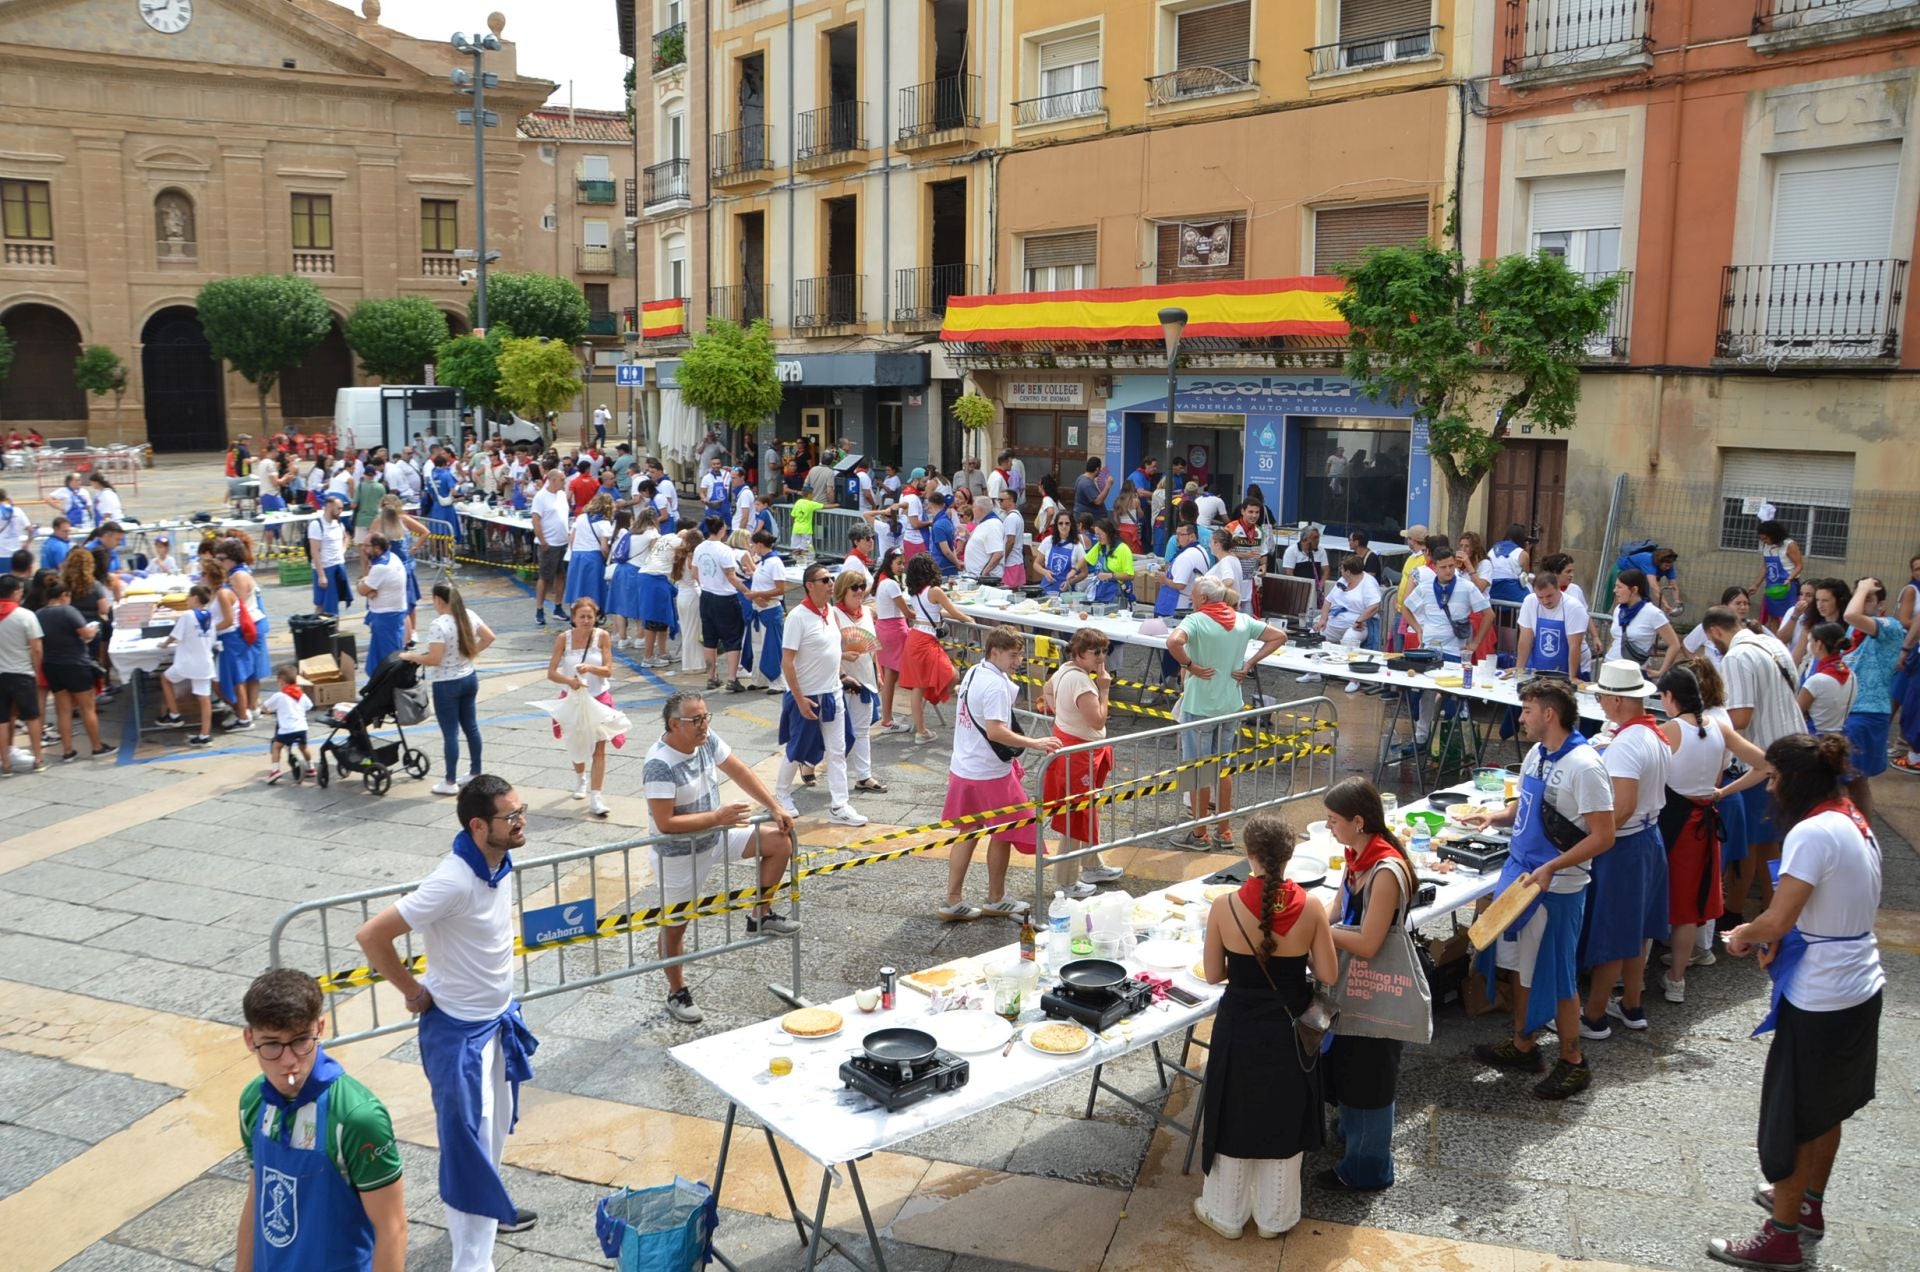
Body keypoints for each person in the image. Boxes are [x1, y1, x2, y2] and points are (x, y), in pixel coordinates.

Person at [1708, 734, 1884, 1272]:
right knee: (1826, 1109)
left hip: (1821, 995)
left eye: (1776, 778)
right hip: (1859, 982)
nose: (1771, 788)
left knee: (1793, 1119)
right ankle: (1808, 1206)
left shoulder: (1812, 832)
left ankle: (1781, 1236)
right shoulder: (1852, 818)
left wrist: (1743, 934)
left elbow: (1778, 918)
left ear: (1796, 781)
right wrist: (1779, 935)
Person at [355, 778, 540, 1271]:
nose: (521, 822)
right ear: (479, 826)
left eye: (521, 810)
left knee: (491, 1138)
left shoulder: (498, 862)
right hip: (459, 1038)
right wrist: (413, 991)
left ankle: (491, 1211)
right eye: (511, 816)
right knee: (467, 1152)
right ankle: (472, 1264)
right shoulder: (453, 880)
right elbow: (372, 935)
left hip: (497, 1024)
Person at [1465, 678, 1612, 1099]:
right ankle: (1524, 1044)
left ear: (1549, 714)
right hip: (1522, 879)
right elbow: (1529, 805)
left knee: (1557, 975)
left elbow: (1604, 836)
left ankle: (1573, 1061)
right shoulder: (1537, 754)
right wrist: (1496, 817)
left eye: (1527, 711)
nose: (1521, 719)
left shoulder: (1585, 766)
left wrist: (1552, 867)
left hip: (1558, 888)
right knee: (1520, 966)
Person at [1194, 812, 1336, 1241]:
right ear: (1290, 856)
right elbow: (1328, 973)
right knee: (1284, 1113)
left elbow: (1213, 973)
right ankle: (1275, 1218)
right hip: (1290, 1028)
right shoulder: (1311, 907)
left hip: (1240, 1025)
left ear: (1248, 853)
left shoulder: (1224, 906)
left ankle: (1226, 1214)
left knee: (1233, 1111)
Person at [233, 967, 406, 1272]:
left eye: (301, 1041)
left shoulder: (358, 1118)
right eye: (271, 1044)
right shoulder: (253, 1101)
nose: (289, 1060)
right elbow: (256, 1198)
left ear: (320, 1028)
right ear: (250, 1038)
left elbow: (392, 1229)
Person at [644, 692, 800, 1022]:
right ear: (674, 724)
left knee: (779, 843)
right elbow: (665, 822)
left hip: (715, 837)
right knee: (675, 927)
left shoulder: (706, 740)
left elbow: (739, 770)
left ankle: (760, 914)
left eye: (706, 717)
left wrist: (774, 807)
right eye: (696, 720)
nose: (704, 725)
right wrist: (718, 817)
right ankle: (677, 991)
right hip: (680, 855)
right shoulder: (659, 764)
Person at [1320, 776, 1416, 1192]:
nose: (1329, 828)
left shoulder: (1386, 870)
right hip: (1353, 985)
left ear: (1358, 821)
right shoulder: (1356, 856)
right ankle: (1352, 1137)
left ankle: (1369, 1169)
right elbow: (1336, 909)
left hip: (1378, 990)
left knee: (1371, 1078)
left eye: (1333, 820)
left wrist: (1318, 933)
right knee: (1349, 1066)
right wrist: (1305, 919)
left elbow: (1369, 941)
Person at [1654, 663, 1771, 1004]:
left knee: (1652, 899)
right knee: (1689, 906)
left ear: (1670, 696)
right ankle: (1677, 979)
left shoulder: (1668, 730)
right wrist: (1722, 792)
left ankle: (1631, 982)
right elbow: (1766, 764)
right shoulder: (1719, 726)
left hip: (1669, 824)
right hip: (1703, 823)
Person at [937, 625, 1061, 921]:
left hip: (964, 766)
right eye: (1013, 655)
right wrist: (1034, 742)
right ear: (995, 652)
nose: (1019, 661)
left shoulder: (974, 671)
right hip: (989, 772)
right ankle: (995, 897)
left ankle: (953, 899)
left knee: (968, 831)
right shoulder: (995, 685)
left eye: (1020, 655)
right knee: (1005, 830)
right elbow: (995, 731)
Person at [1578, 660, 1674, 1040]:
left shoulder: (1626, 743)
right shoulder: (1653, 733)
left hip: (1626, 843)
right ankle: (1632, 1004)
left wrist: (1591, 840)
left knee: (1613, 932)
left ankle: (1594, 1015)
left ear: (1617, 700)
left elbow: (1623, 806)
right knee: (1638, 929)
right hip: (1650, 836)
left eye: (1602, 696)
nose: (1599, 703)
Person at [1701, 605, 1807, 931]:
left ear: (1715, 632)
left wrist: (1704, 722)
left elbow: (1741, 717)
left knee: (1747, 845)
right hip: (1794, 752)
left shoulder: (1736, 656)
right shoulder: (1772, 642)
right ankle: (1774, 910)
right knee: (1770, 844)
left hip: (1765, 761)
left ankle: (1736, 911)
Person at [1164, 576, 1288, 850]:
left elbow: (1173, 642)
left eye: (1194, 594)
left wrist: (1190, 665)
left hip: (1200, 706)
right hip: (1230, 704)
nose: (1191, 598)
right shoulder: (1242, 620)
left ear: (1203, 598)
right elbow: (1280, 636)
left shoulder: (1196, 620)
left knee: (1197, 770)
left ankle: (1199, 833)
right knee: (1223, 767)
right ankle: (1225, 830)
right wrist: (1249, 663)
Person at [770, 564, 866, 825]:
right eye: (825, 580)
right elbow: (787, 661)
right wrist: (799, 698)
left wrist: (842, 674)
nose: (831, 583)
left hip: (832, 693)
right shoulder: (797, 617)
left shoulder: (831, 613)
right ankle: (781, 794)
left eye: (831, 578)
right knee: (797, 749)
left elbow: (831, 651)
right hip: (808, 695)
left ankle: (840, 805)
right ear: (809, 585)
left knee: (838, 750)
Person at [1041, 628, 1126, 898]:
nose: (1101, 657)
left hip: (1075, 748)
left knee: (1085, 811)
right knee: (1076, 815)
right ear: (1079, 653)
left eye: (1104, 651)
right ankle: (1066, 881)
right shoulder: (1082, 681)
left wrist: (1064, 716)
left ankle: (1091, 865)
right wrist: (1104, 689)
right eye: (1095, 652)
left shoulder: (1064, 670)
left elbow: (1047, 690)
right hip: (1079, 754)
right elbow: (1098, 720)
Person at [1396, 536, 1491, 755]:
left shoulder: (1466, 587)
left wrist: (1475, 643)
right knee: (1423, 696)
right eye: (1443, 567)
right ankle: (1421, 738)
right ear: (1435, 567)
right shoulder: (1426, 587)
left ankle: (1453, 744)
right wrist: (1418, 629)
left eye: (1451, 566)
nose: (1448, 571)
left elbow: (1488, 614)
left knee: (1454, 698)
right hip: (1429, 649)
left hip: (1455, 651)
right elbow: (1406, 608)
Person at [398, 585, 495, 796]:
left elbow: (434, 659)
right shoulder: (469, 615)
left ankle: (450, 781)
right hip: (469, 677)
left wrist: (412, 657)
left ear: (438, 600)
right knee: (471, 727)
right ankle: (475, 772)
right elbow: (489, 637)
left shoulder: (439, 624)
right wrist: (470, 653)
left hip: (446, 683)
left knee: (450, 733)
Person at [1835, 576, 1902, 819]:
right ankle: (1857, 831)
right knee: (1850, 779)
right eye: (1859, 597)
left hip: (1867, 711)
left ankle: (1858, 831)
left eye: (1868, 599)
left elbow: (1851, 614)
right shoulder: (1853, 630)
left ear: (1881, 606)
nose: (1861, 602)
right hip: (1847, 710)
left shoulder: (1890, 626)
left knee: (1850, 778)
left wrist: (1863, 587)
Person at [548, 598, 619, 818]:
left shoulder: (602, 636)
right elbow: (552, 672)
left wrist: (590, 668)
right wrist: (570, 681)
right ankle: (581, 778)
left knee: (599, 747)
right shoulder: (564, 639)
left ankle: (596, 796)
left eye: (590, 616)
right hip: (573, 699)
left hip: (598, 699)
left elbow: (608, 669)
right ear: (574, 618)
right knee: (576, 743)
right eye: (582, 617)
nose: (587, 620)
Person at [38, 576, 112, 762]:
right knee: (87, 707)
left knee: (63, 710)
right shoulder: (68, 611)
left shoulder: (39, 614)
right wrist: (93, 629)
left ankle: (68, 750)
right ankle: (97, 746)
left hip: (52, 665)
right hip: (75, 663)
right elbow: (86, 634)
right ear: (64, 595)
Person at [832, 568, 887, 797]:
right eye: (854, 587)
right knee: (835, 733)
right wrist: (843, 663)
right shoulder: (834, 614)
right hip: (841, 681)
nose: (859, 591)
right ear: (843, 590)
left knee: (862, 730)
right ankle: (808, 763)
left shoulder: (866, 612)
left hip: (865, 679)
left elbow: (872, 648)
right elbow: (827, 649)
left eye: (862, 587)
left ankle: (864, 776)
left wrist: (878, 673)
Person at [900, 553, 967, 745]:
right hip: (925, 640)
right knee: (951, 674)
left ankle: (921, 730)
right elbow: (953, 611)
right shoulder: (935, 591)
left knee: (919, 686)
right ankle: (942, 697)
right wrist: (967, 619)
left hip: (915, 637)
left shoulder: (915, 591)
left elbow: (933, 611)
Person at [691, 516, 749, 692]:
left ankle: (711, 677)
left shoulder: (700, 548)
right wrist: (747, 592)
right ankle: (732, 679)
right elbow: (731, 576)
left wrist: (707, 583)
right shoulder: (725, 550)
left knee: (710, 638)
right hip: (725, 597)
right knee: (733, 638)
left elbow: (694, 573)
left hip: (706, 595)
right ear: (722, 529)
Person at [158, 584, 220, 748]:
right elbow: (212, 640)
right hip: (205, 662)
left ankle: (174, 714)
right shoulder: (210, 617)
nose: (187, 600)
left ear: (195, 598)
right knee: (204, 698)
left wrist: (164, 644)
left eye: (189, 597)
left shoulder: (187, 615)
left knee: (165, 679)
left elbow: (174, 635)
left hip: (187, 662)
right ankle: (205, 735)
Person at [1312, 554, 1383, 693]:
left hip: (1360, 622)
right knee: (1315, 633)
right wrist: (1323, 619)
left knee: (1349, 639)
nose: (1340, 570)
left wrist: (1360, 620)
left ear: (1348, 571)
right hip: (1338, 617)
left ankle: (1353, 679)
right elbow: (1328, 600)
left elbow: (1375, 606)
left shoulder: (1369, 583)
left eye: (1342, 568)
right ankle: (1313, 672)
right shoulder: (1343, 580)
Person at [0, 574, 47, 776]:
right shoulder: (25, 616)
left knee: (2, 720)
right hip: (22, 673)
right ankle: (38, 759)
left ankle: (6, 764)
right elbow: (36, 648)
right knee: (32, 717)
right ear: (16, 592)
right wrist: (36, 670)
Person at [1513, 566, 1590, 680]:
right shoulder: (1530, 602)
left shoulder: (1574, 607)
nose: (1545, 601)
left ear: (1558, 588)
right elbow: (1525, 639)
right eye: (1540, 597)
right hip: (1538, 666)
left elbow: (1574, 645)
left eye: (1549, 596)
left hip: (1571, 666)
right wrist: (1519, 670)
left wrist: (1572, 677)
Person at [738, 529, 786, 691]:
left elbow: (780, 589)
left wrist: (757, 594)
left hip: (770, 609)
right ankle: (760, 679)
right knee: (757, 646)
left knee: (772, 647)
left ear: (759, 545)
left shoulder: (775, 563)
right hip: (758, 610)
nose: (751, 547)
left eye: (753, 545)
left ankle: (778, 682)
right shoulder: (762, 562)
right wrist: (752, 574)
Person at [1608, 568, 1680, 674]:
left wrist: (1661, 671)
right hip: (1610, 666)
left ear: (1634, 590)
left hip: (1634, 672)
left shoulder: (1653, 613)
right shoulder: (1619, 609)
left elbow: (1674, 645)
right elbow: (1616, 638)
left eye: (1619, 587)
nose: (1615, 590)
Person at [356, 533, 410, 675]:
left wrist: (361, 581)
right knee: (380, 660)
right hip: (392, 615)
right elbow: (369, 587)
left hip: (386, 619)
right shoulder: (392, 557)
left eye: (366, 546)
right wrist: (369, 588)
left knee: (388, 661)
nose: (363, 549)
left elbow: (362, 590)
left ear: (377, 548)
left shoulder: (380, 567)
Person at [260, 664, 317, 785]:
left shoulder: (279, 696)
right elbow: (309, 706)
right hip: (302, 728)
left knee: (276, 746)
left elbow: (265, 706)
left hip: (287, 729)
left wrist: (267, 711)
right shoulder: (301, 694)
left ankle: (275, 770)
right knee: (304, 747)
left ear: (281, 681)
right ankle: (311, 767)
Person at [605, 508, 652, 651]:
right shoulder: (650, 534)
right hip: (636, 571)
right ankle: (640, 638)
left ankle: (623, 639)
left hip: (620, 570)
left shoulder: (628, 533)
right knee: (639, 605)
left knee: (621, 606)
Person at [529, 469, 570, 625]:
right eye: (562, 479)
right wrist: (543, 541)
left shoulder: (561, 495)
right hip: (549, 543)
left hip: (563, 542)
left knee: (561, 575)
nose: (564, 482)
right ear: (553, 480)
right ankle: (539, 609)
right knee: (545, 577)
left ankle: (558, 607)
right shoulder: (541, 497)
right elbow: (535, 520)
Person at [562, 492, 613, 613]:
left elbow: (571, 538)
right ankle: (592, 616)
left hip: (577, 556)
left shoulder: (581, 517)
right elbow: (604, 548)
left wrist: (574, 551)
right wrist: (607, 559)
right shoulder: (604, 523)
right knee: (592, 590)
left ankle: (575, 615)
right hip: (593, 558)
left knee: (576, 589)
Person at [1684, 586, 1754, 665]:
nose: (1743, 607)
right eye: (1738, 603)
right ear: (1724, 606)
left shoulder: (1755, 628)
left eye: (1746, 603)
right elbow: (1687, 648)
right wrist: (1703, 668)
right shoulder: (1709, 626)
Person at [307, 495, 352, 617]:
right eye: (338, 508)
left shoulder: (338, 523)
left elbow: (346, 537)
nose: (341, 511)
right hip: (326, 568)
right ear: (329, 507)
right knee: (324, 604)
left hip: (339, 565)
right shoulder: (317, 525)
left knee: (333, 602)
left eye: (342, 508)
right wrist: (321, 575)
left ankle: (326, 625)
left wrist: (342, 550)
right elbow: (314, 552)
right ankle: (322, 625)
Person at [1755, 519, 1805, 626]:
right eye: (1762, 539)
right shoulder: (1767, 546)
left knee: (1789, 615)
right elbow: (1765, 566)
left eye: (1766, 538)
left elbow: (1799, 565)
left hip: (1788, 585)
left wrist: (1789, 579)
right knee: (1773, 615)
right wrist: (1756, 585)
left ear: (1774, 535)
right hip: (1772, 586)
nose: (1764, 541)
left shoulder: (1789, 545)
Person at [1392, 524, 1429, 651]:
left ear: (1413, 540)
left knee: (1404, 648)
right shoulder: (1410, 558)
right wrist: (1397, 598)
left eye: (1408, 538)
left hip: (1412, 613)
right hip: (1400, 609)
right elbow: (1403, 579)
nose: (1407, 541)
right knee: (1397, 647)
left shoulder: (1424, 559)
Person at [1037, 510, 1084, 597]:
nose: (1064, 526)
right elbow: (1036, 564)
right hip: (1047, 590)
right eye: (1060, 523)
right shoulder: (1048, 541)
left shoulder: (1077, 546)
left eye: (1067, 523)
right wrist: (1045, 572)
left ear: (1071, 525)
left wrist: (1070, 582)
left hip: (1066, 595)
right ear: (1056, 525)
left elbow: (1084, 573)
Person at [1488, 523, 1532, 605]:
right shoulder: (1522, 553)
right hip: (1512, 593)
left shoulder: (1492, 549)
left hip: (1492, 591)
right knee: (1531, 595)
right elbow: (1524, 579)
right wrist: (1527, 551)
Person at [1072, 457, 1111, 522]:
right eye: (1100, 468)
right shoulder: (1087, 483)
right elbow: (1098, 501)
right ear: (1097, 469)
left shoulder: (1081, 478)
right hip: (1089, 521)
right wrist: (1108, 485)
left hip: (1086, 517)